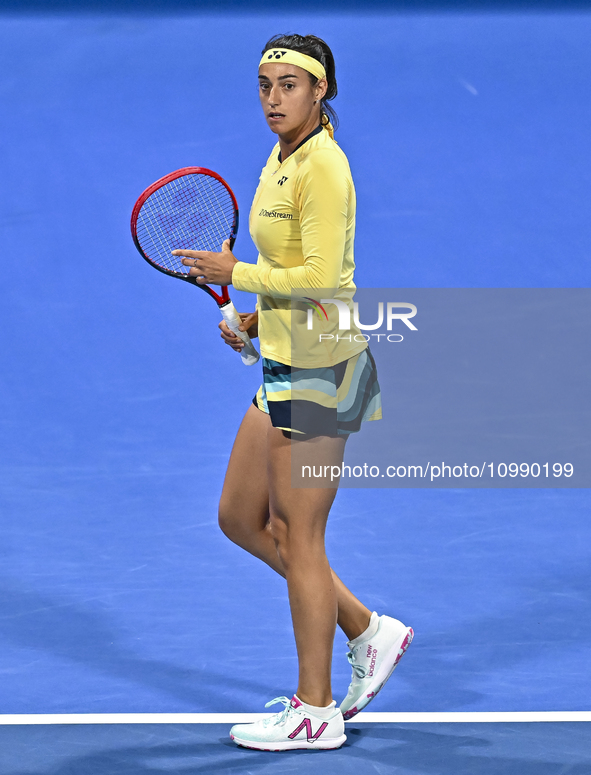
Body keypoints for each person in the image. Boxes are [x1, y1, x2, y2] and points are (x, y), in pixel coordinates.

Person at [173, 33, 413, 752]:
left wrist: (236, 273)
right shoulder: (278, 162)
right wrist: (252, 319)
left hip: (321, 370)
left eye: (288, 85)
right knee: (239, 518)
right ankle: (368, 628)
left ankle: (315, 710)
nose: (273, 98)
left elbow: (320, 282)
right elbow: (292, 272)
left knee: (300, 538)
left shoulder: (325, 168)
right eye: (264, 85)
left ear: (319, 92)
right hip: (284, 361)